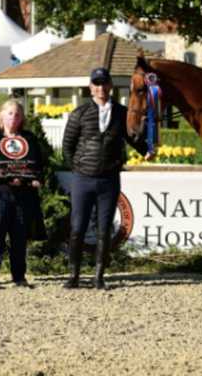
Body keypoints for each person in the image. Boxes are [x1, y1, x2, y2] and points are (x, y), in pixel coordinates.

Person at [62, 67, 151, 289]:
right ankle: (73, 275)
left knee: (104, 229)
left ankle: (99, 276)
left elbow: (131, 138)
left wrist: (145, 149)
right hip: (83, 179)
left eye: (104, 84)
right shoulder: (79, 114)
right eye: (97, 84)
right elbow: (67, 146)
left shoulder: (121, 113)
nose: (101, 88)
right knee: (77, 228)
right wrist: (78, 168)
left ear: (110, 86)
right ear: (91, 87)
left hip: (109, 180)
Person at [0, 100, 45, 290]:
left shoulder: (29, 138)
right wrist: (7, 178)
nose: (13, 118)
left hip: (22, 196)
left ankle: (19, 276)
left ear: (22, 117)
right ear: (1, 115)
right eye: (9, 113)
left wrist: (33, 179)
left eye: (17, 114)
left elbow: (37, 164)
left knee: (19, 238)